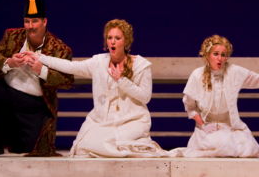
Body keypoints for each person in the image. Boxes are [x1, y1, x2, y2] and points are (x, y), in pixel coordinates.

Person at [24, 19, 167, 158]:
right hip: (103, 120)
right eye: (110, 37)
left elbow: (145, 97)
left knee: (112, 144)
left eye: (117, 38)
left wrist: (122, 80)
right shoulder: (99, 62)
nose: (112, 41)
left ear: (126, 41)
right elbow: (71, 66)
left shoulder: (140, 65)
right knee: (84, 146)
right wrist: (40, 57)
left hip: (133, 120)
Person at [0, 0, 74, 157]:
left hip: (34, 103)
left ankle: (20, 140)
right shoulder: (13, 35)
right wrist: (10, 62)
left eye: (35, 21)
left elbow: (67, 81)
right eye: (27, 21)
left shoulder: (59, 48)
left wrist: (41, 70)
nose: (30, 26)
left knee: (25, 148)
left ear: (44, 22)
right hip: (7, 92)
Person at [177, 35, 259, 157]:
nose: (220, 58)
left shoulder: (234, 72)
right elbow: (190, 107)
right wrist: (203, 125)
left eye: (223, 55)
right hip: (207, 128)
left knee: (250, 149)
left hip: (230, 127)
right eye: (216, 54)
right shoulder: (197, 75)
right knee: (221, 144)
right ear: (208, 55)